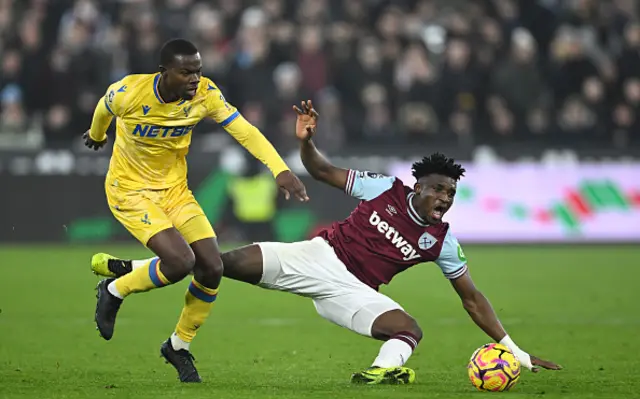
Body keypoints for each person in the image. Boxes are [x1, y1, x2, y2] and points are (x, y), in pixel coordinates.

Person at [91, 100, 561, 384]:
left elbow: (472, 299)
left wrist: (515, 351)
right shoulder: (385, 188)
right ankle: (131, 271)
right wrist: (306, 142)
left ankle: (381, 371)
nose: (444, 198)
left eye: (451, 194)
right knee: (214, 263)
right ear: (418, 186)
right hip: (316, 255)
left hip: (352, 292)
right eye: (438, 189)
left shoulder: (443, 242)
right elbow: (319, 170)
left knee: (409, 330)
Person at [85, 39, 307, 383]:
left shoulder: (205, 94)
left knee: (211, 267)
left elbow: (244, 131)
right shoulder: (129, 91)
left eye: (198, 71)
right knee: (179, 262)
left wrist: (279, 169)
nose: (195, 79)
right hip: (130, 192)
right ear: (165, 73)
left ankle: (178, 345)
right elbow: (103, 107)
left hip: (175, 191)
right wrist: (98, 135)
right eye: (186, 72)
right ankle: (115, 290)